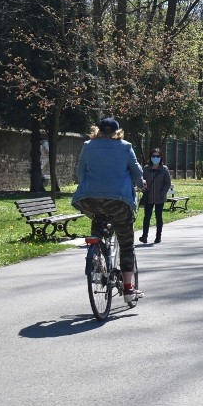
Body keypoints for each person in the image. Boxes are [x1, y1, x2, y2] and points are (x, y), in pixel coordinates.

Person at [72, 117, 146, 302]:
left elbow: (80, 172)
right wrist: (141, 184)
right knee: (126, 243)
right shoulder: (125, 147)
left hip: (91, 199)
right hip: (118, 202)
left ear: (98, 130)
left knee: (98, 220)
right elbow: (136, 172)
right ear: (117, 131)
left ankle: (97, 257)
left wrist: (89, 186)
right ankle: (129, 289)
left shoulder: (88, 146)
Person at [138, 147, 171, 244]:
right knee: (147, 217)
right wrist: (143, 188)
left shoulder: (164, 169)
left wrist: (162, 192)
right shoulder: (146, 168)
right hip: (148, 197)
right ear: (150, 157)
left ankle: (158, 237)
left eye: (157, 156)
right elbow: (142, 181)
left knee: (158, 217)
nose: (155, 158)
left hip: (159, 198)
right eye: (153, 156)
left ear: (161, 157)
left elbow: (168, 183)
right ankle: (144, 236)